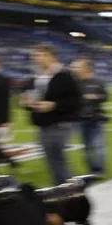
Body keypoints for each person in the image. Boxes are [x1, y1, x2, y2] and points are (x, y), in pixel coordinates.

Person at [20, 44, 81, 185]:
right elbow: (31, 97)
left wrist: (54, 105)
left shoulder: (65, 75)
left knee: (56, 158)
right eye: (35, 56)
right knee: (53, 159)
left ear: (51, 56)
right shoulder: (36, 76)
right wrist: (27, 103)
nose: (36, 59)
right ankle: (65, 188)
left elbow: (75, 101)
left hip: (59, 122)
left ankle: (68, 188)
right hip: (42, 122)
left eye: (39, 55)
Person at [71, 59, 110, 178]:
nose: (75, 70)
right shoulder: (74, 84)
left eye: (78, 67)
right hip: (80, 119)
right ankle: (92, 170)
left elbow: (106, 96)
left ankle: (100, 170)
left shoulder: (98, 82)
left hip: (96, 119)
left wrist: (95, 97)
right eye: (75, 68)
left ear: (86, 69)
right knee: (87, 147)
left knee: (99, 146)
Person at [0, 55, 16, 172]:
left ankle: (3, 159)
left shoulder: (2, 80)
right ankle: (6, 160)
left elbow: (5, 102)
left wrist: (6, 120)